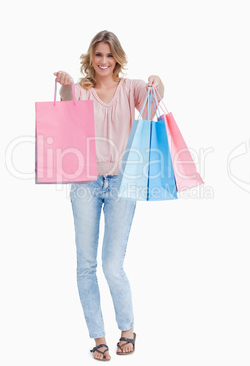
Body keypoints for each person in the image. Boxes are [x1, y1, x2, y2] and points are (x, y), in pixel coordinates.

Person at [53, 30, 164, 361]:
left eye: (109, 55)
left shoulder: (129, 88)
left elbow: (152, 104)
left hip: (121, 183)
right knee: (85, 264)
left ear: (117, 57)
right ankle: (99, 338)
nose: (104, 61)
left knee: (112, 265)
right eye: (98, 55)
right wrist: (65, 83)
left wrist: (158, 83)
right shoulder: (84, 91)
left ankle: (127, 329)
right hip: (85, 182)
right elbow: (67, 106)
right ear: (92, 57)